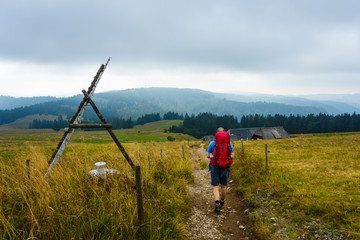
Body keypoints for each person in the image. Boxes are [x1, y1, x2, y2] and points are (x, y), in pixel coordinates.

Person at [206, 127, 234, 214]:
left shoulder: (212, 143)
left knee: (215, 186)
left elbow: (207, 155)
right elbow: (232, 155)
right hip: (225, 166)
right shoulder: (229, 143)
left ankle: (217, 204)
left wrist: (214, 157)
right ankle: (222, 200)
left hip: (215, 166)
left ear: (216, 134)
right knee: (224, 186)